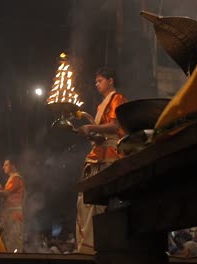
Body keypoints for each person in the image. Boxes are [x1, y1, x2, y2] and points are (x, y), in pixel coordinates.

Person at [75, 67, 128, 254]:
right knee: (85, 200)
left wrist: (90, 127)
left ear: (111, 81)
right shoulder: (101, 105)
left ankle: (95, 247)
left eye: (100, 80)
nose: (96, 84)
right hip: (97, 154)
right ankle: (88, 246)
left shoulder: (117, 98)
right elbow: (100, 132)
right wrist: (91, 133)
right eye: (96, 81)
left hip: (110, 154)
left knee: (98, 199)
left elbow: (115, 125)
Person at [0, 157, 26, 253]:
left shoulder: (16, 178)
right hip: (9, 215)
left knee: (13, 242)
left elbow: (6, 194)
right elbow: (6, 194)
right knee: (6, 242)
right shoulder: (11, 179)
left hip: (14, 215)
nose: (3, 167)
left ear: (13, 166)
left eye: (6, 165)